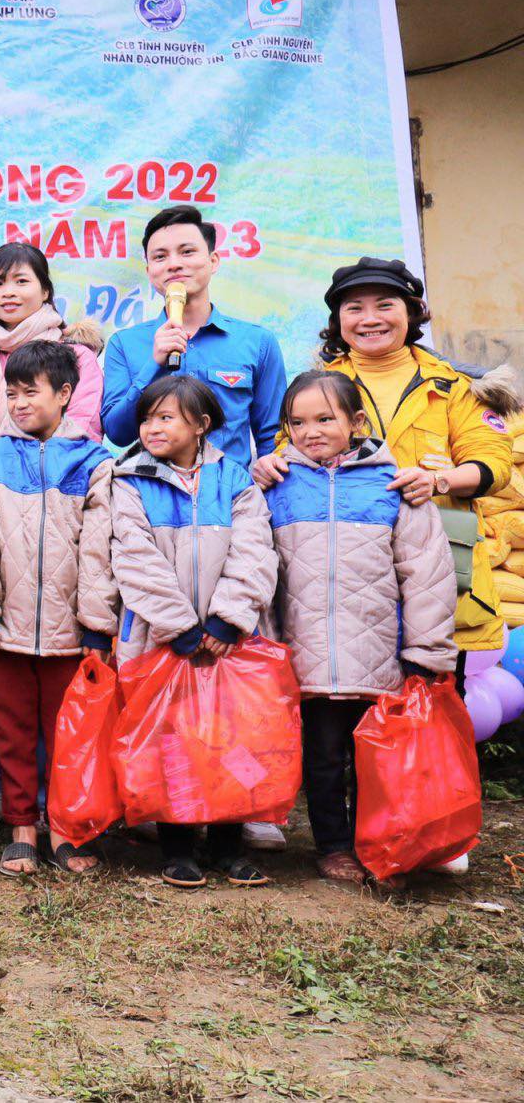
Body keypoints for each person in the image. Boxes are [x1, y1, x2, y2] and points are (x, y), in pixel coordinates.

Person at [255, 258, 514, 658]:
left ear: (410, 312)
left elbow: (494, 464)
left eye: (385, 305)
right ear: (338, 321)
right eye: (354, 308)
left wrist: (438, 481)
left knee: (432, 708)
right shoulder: (315, 386)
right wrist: (271, 463)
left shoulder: (453, 387)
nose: (369, 319)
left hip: (436, 574)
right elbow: (286, 450)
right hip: (345, 590)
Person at [263, 372, 457, 883]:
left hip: (380, 657)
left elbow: (427, 573)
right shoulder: (278, 486)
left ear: (357, 422)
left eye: (325, 419)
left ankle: (381, 839)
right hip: (305, 657)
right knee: (324, 759)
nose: (311, 431)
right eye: (297, 422)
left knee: (377, 759)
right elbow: (261, 570)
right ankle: (333, 845)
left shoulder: (393, 484)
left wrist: (426, 649)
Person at [0, 341, 117, 877]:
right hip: (8, 629)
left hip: (71, 633)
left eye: (32, 391)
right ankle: (22, 825)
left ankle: (66, 829)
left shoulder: (95, 463)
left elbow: (101, 549)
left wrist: (96, 623)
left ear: (65, 394)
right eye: (12, 392)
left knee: (70, 733)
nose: (20, 402)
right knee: (11, 728)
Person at [109, 376, 278, 889]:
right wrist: (179, 626)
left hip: (228, 642)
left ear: (201, 426)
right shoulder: (129, 479)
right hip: (161, 639)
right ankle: (178, 843)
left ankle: (229, 844)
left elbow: (255, 547)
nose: (152, 427)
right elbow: (133, 557)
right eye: (147, 417)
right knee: (171, 740)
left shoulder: (236, 481)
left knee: (231, 740)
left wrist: (229, 617)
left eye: (166, 417)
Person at [100, 206, 286, 464]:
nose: (174, 264)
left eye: (187, 252)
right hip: (151, 496)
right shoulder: (124, 344)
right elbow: (117, 433)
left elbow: (273, 436)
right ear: (149, 271)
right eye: (160, 257)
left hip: (231, 497)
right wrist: (154, 365)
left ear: (213, 261)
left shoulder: (258, 342)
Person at [0, 243, 105, 444]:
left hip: (58, 471)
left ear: (45, 291)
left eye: (21, 281)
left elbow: (84, 427)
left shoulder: (76, 356)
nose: (8, 292)